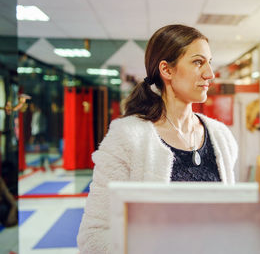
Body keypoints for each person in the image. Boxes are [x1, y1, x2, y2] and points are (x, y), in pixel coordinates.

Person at [77, 24, 238, 253]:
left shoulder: (221, 137)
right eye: (198, 62)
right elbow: (93, 237)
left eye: (209, 62)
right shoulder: (127, 137)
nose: (209, 74)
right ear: (167, 70)